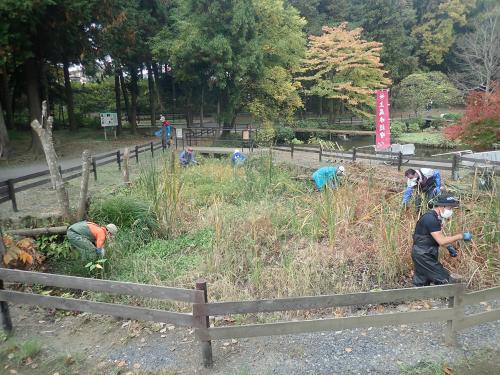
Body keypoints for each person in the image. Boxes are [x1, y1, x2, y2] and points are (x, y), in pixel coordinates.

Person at [411, 193, 472, 287]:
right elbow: (441, 241)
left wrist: (448, 246)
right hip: (423, 255)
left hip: (425, 252)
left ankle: (416, 298)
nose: (451, 211)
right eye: (449, 208)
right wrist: (461, 236)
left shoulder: (436, 218)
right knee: (444, 279)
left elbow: (437, 236)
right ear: (441, 206)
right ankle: (451, 299)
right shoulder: (430, 219)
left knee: (422, 281)